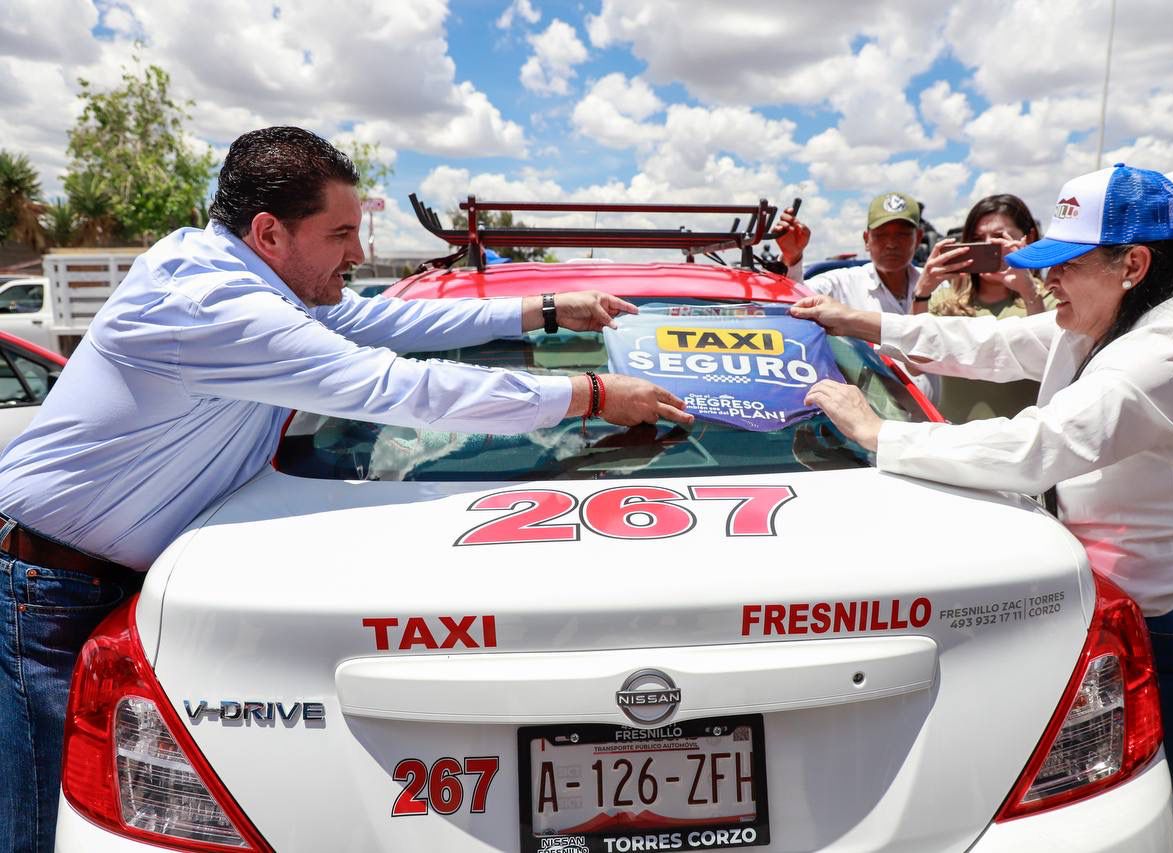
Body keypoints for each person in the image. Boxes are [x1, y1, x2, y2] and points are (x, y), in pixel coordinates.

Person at [0, 126, 692, 853]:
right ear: (269, 232)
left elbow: (380, 318)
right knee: (39, 832)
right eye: (341, 234)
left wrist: (541, 310)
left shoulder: (250, 279)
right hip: (53, 595)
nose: (357, 254)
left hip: (93, 580)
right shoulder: (213, 306)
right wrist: (585, 394)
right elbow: (392, 385)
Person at [792, 164, 1173, 853]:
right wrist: (863, 322)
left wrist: (880, 433)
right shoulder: (1114, 318)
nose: (1047, 280)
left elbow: (1037, 446)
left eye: (1065, 264)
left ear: (1133, 264)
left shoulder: (1167, 350)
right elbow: (993, 344)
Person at [778, 191, 937, 400]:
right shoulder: (841, 284)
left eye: (902, 234)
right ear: (866, 239)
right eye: (881, 234)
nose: (891, 243)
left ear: (918, 238)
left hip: (936, 424)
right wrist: (793, 257)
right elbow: (795, 303)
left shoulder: (939, 287)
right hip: (869, 424)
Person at [912, 194, 1056, 422]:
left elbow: (1049, 361)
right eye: (978, 238)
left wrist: (1029, 292)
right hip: (956, 440)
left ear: (1028, 238)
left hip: (1020, 443)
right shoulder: (947, 301)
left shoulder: (1051, 297)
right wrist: (922, 293)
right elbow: (915, 366)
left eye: (999, 236)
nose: (989, 245)